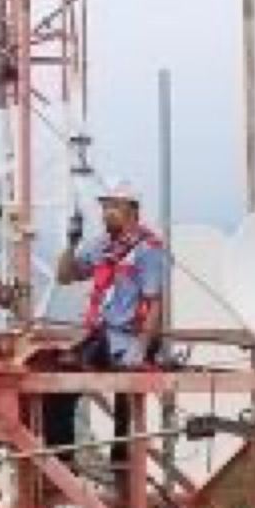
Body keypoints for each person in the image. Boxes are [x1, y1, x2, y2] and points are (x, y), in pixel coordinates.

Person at [43, 179, 165, 475]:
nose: (107, 212)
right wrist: (71, 244)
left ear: (132, 211)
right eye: (105, 207)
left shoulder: (148, 249)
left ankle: (122, 465)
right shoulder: (101, 245)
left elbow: (155, 302)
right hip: (101, 334)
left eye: (114, 207)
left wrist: (141, 348)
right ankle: (63, 464)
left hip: (130, 337)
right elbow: (65, 276)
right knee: (59, 390)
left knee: (125, 402)